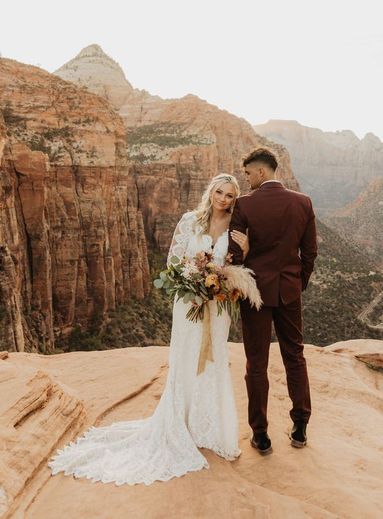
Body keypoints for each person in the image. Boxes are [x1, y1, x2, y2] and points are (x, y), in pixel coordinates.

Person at [49, 173, 249, 485]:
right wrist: (193, 279)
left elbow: (238, 266)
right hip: (188, 305)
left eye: (230, 196)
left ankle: (208, 428)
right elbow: (173, 262)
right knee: (185, 361)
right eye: (219, 192)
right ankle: (180, 424)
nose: (223, 199)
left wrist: (236, 261)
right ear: (210, 192)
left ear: (235, 200)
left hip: (217, 307)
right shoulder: (189, 220)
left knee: (214, 360)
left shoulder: (236, 228)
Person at [228, 148, 317, 455]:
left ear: (262, 172)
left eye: (249, 174)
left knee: (257, 363)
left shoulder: (244, 205)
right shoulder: (303, 202)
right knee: (295, 356)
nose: (247, 179)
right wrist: (296, 284)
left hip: (255, 295)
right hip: (289, 291)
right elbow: (310, 253)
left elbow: (234, 257)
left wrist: (250, 254)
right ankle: (300, 427)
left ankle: (261, 433)